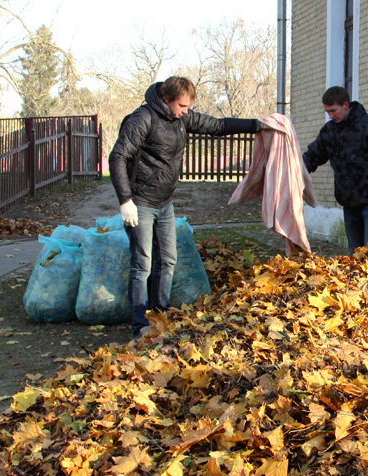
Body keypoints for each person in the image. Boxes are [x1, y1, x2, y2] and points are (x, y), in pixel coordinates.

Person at [109, 76, 264, 340]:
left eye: (188, 106)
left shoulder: (181, 117)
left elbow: (217, 125)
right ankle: (140, 326)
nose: (185, 111)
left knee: (168, 259)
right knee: (142, 265)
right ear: (166, 99)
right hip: (141, 203)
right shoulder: (143, 118)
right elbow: (118, 156)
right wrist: (125, 200)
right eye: (181, 105)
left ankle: (160, 315)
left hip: (164, 202)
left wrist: (257, 125)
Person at [302, 86, 368, 255]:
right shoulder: (329, 132)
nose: (330, 116)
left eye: (333, 110)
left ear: (346, 105)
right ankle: (356, 282)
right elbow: (312, 157)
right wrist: (293, 172)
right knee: (354, 254)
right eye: (327, 111)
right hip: (348, 201)